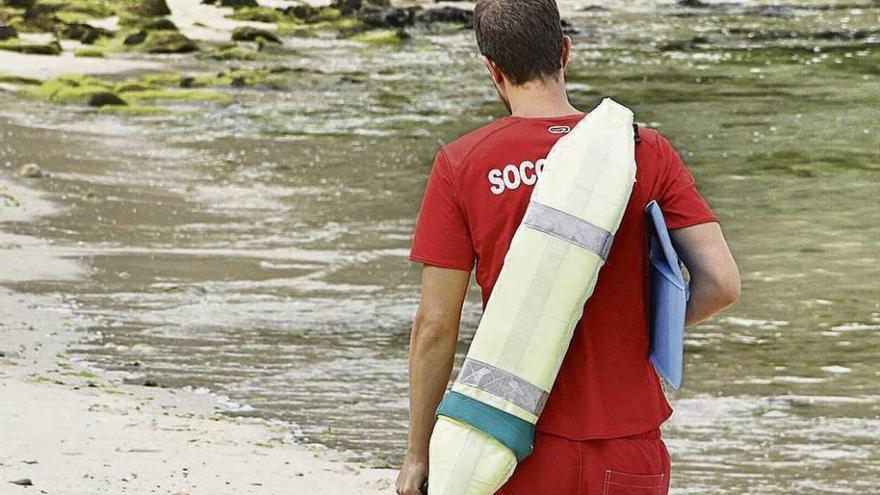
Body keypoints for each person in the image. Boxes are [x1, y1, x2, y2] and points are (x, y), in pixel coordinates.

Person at [396, 1, 741, 494]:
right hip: (629, 442)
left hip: (511, 441)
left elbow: (434, 327)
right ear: (565, 51)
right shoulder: (641, 150)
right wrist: (640, 329)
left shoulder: (463, 163)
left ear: (493, 70)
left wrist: (419, 452)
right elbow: (722, 284)